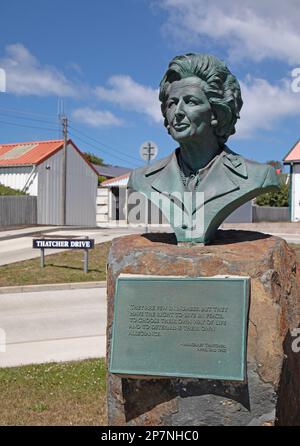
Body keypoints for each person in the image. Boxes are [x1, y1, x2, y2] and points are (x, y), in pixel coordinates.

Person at [128, 53, 279, 243]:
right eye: (172, 103)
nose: (178, 112)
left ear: (216, 113)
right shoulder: (142, 178)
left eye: (190, 101)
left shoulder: (258, 176)